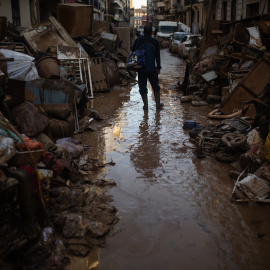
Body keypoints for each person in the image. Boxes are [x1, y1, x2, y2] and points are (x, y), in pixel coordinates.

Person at [132, 24, 164, 110]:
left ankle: (145, 105)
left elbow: (134, 53)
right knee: (155, 86)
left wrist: (134, 67)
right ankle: (157, 104)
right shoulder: (155, 42)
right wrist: (158, 67)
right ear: (152, 32)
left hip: (141, 68)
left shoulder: (138, 40)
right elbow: (157, 56)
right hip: (152, 69)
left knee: (142, 86)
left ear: (143, 32)